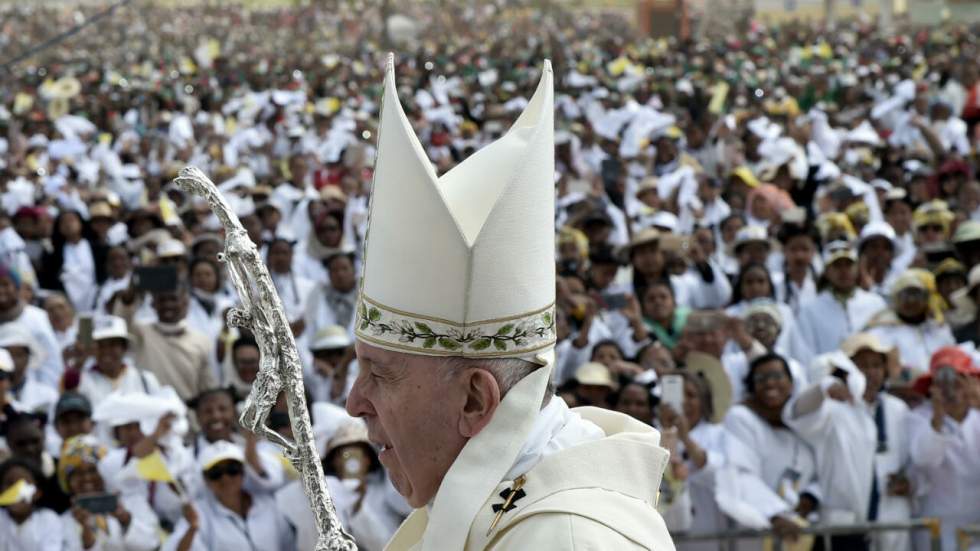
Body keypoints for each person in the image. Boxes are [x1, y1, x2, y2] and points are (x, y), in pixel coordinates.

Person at [344, 60, 673, 550]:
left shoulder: (567, 539)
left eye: (380, 373)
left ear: (475, 400)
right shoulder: (505, 510)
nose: (354, 402)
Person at [721, 353, 818, 545]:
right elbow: (741, 473)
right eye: (761, 379)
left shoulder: (804, 422)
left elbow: (823, 470)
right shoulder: (741, 418)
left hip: (800, 536)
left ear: (792, 384)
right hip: (758, 532)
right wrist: (776, 514)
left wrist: (811, 497)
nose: (770, 384)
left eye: (777, 376)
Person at [906, 346, 980, 551]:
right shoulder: (919, 417)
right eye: (944, 384)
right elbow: (924, 458)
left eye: (958, 383)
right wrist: (937, 418)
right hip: (936, 529)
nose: (952, 392)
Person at [165, 441, 295, 551]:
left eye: (232, 469)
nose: (225, 478)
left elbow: (289, 545)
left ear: (243, 471)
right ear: (205, 479)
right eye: (216, 472)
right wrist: (192, 529)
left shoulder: (268, 504)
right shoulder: (198, 514)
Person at [112, 281, 217, 402]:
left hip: (187, 415)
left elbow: (207, 389)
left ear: (185, 303)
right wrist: (131, 291)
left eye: (173, 299)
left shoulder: (202, 340)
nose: (168, 304)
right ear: (153, 304)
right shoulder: (141, 333)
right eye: (162, 300)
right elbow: (120, 322)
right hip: (150, 413)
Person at [57, 435, 160, 551]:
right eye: (78, 473)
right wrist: (87, 534)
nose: (87, 478)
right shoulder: (60, 523)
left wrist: (125, 520)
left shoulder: (133, 502)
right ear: (68, 481)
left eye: (92, 470)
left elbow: (153, 544)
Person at [797, 241, 887, 356]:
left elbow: (884, 342)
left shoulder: (876, 303)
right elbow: (806, 353)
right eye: (837, 265)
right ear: (827, 271)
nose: (843, 270)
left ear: (857, 268)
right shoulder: (810, 310)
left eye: (848, 264)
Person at [866, 270, 955, 377]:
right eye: (905, 295)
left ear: (927, 298)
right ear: (896, 299)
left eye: (917, 295)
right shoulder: (881, 332)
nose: (911, 300)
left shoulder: (940, 329)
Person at [0, 264, 62, 388]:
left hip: (35, 392)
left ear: (17, 288)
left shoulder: (37, 317)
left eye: (5, 285)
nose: (1, 290)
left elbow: (51, 360)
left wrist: (44, 392)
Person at [76, 316, 161, 406]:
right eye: (101, 345)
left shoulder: (145, 379)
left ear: (124, 347)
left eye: (113, 345)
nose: (106, 351)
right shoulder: (83, 382)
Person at [0, 457, 63, 551]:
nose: (16, 491)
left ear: (37, 493)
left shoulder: (48, 519)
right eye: (10, 484)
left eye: (24, 484)